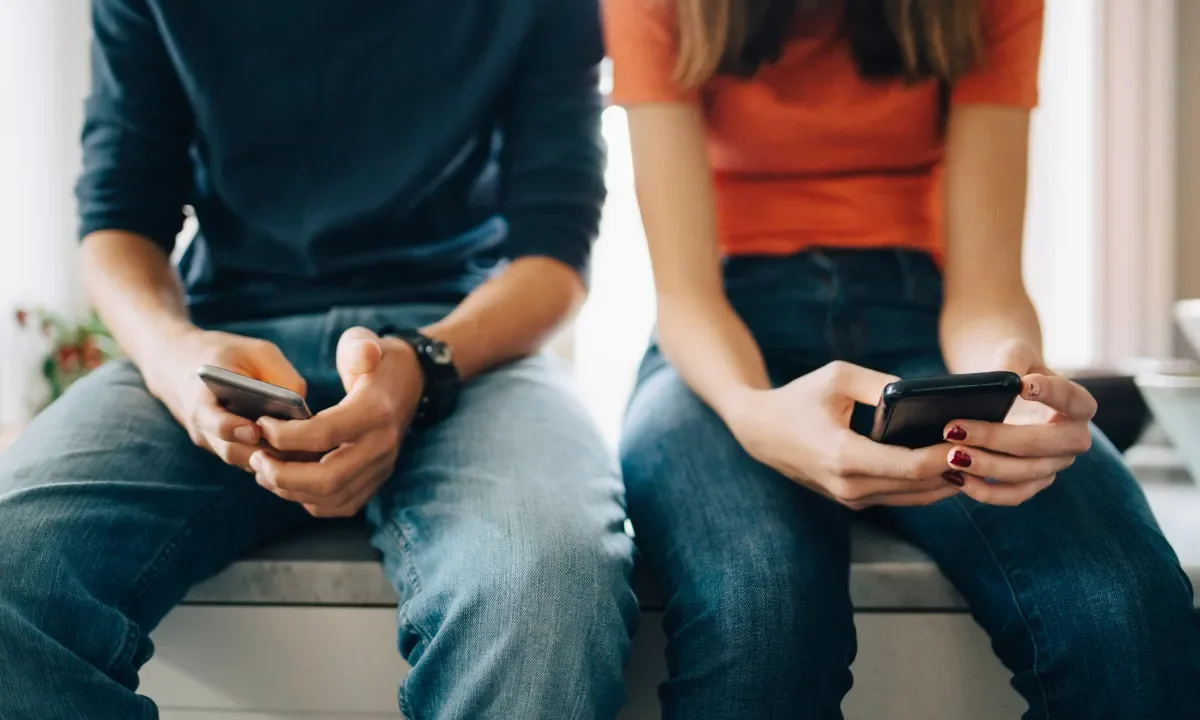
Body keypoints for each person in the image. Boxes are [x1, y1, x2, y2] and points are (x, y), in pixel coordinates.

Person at [0, 1, 636, 718]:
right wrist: (174, 357)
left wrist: (424, 363)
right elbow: (118, 217)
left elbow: (556, 254)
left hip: (465, 346)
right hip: (223, 346)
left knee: (545, 585)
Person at [606, 0, 1200, 717]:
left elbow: (985, 290)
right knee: (762, 615)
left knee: (1125, 606)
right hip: (722, 343)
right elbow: (687, 296)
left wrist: (1016, 379)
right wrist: (753, 411)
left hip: (922, 326)